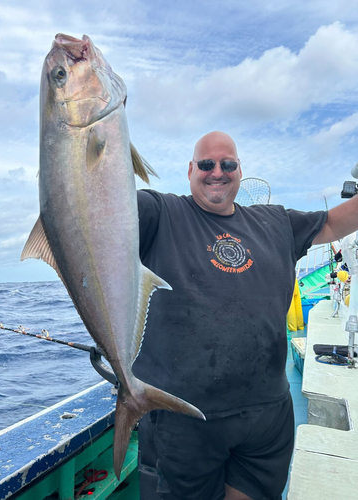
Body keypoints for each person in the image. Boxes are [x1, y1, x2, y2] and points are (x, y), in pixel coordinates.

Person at [132, 131, 358, 500]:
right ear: (190, 170)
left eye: (227, 164)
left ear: (240, 170)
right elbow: (100, 208)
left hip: (266, 419)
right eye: (206, 164)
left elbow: (334, 223)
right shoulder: (160, 212)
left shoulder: (276, 222)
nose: (216, 171)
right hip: (185, 419)